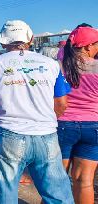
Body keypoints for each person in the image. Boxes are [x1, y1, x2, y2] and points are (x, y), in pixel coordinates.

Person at [0, 20, 73, 204]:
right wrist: (44, 120)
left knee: (6, 191)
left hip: (9, 135)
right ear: (30, 39)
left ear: (2, 42)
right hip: (47, 136)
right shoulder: (51, 64)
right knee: (57, 194)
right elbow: (62, 103)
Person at [58, 25, 98, 204]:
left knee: (57, 180)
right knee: (85, 181)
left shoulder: (59, 65)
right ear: (88, 46)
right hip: (94, 126)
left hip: (63, 125)